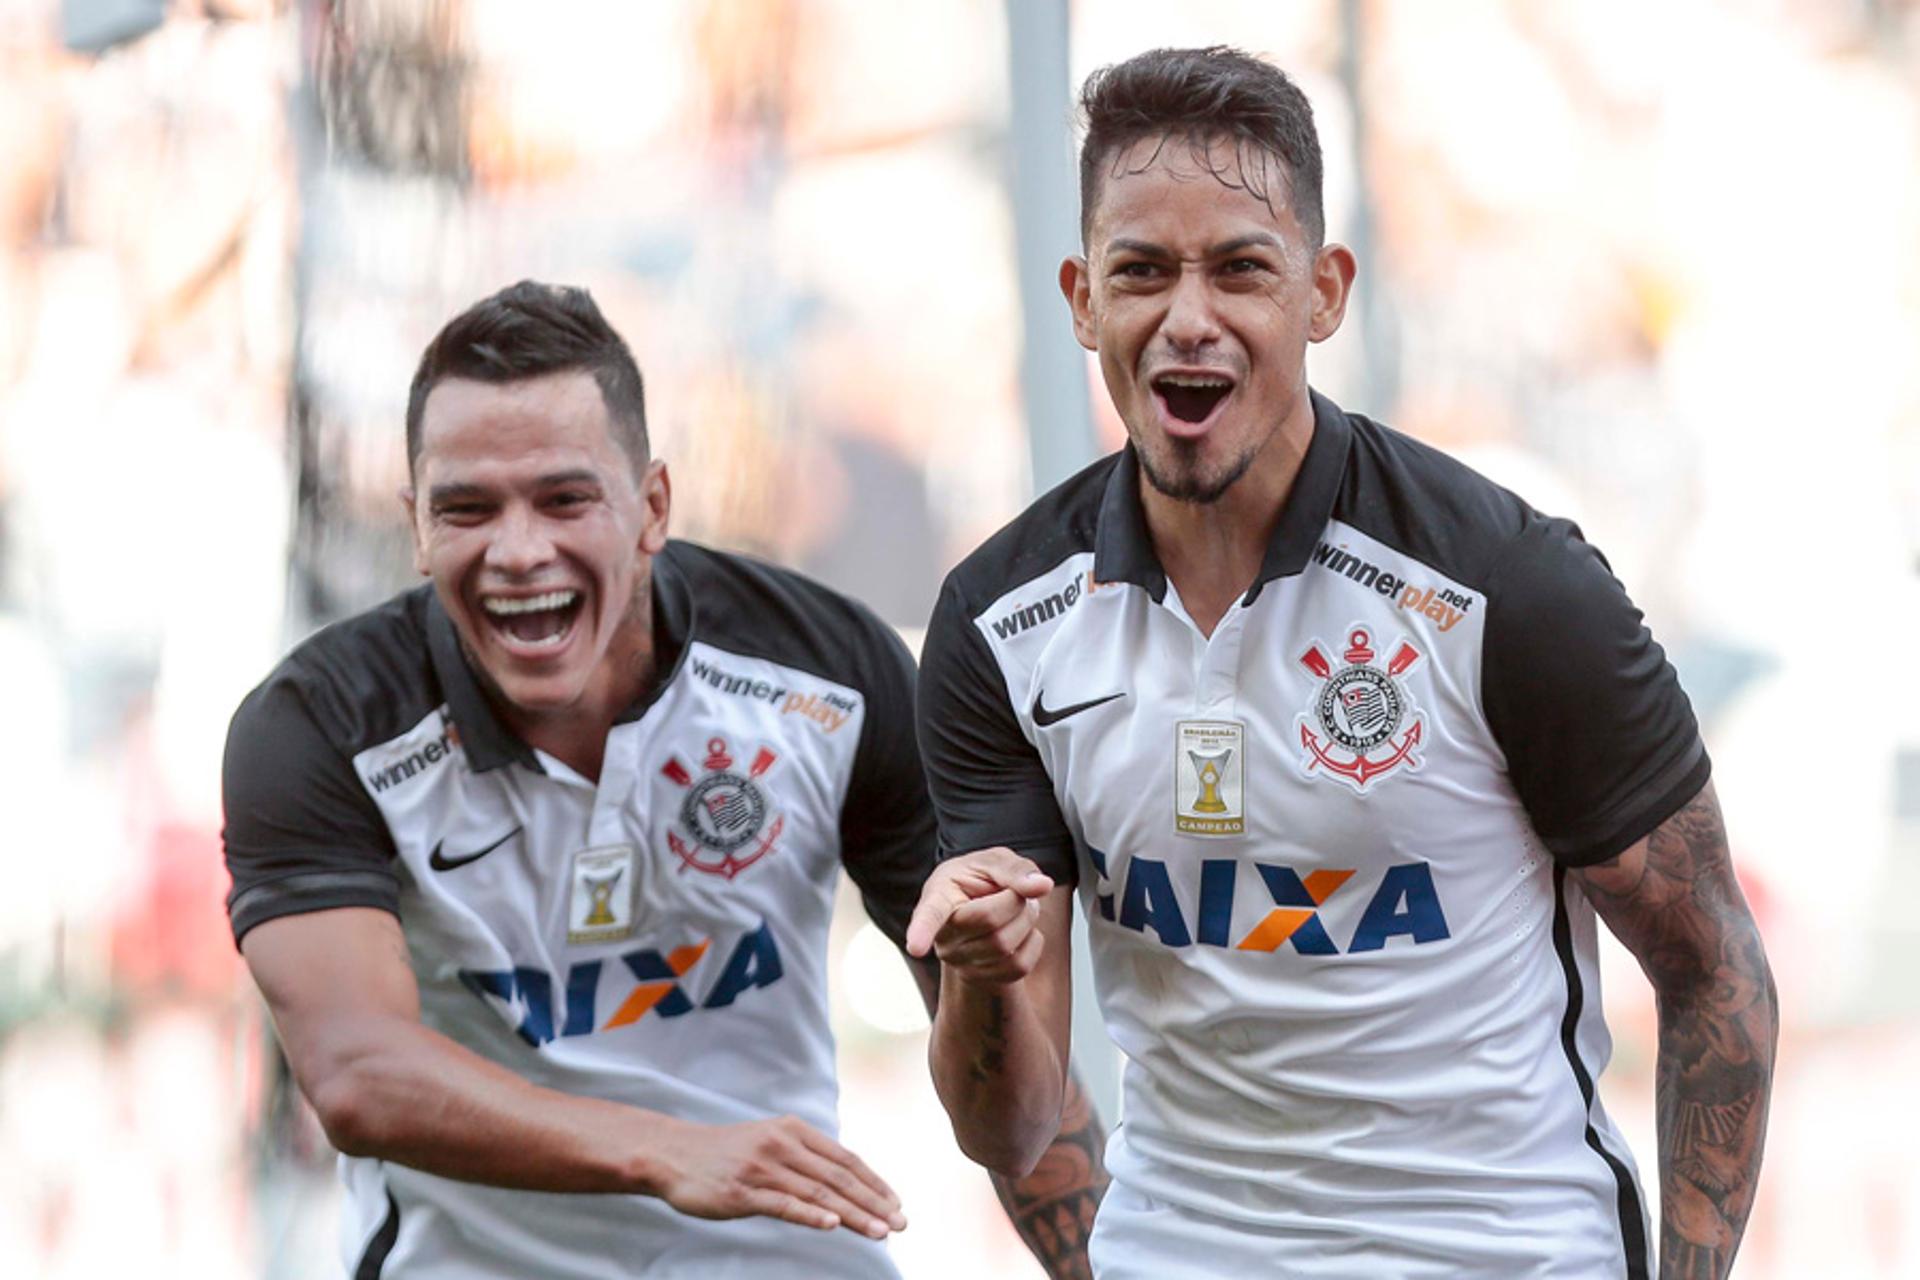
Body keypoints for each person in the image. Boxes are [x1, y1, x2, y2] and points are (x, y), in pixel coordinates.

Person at [907, 46, 1776, 1279]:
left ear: (1323, 292)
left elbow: (1713, 969)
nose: (1187, 318)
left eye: (1241, 269)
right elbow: (1011, 1121)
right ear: (1082, 298)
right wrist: (979, 976)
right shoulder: (1000, 622)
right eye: (1142, 270)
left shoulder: (1509, 585)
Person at [223, 281, 1106, 1279]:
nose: (518, 550)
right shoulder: (317, 723)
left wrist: (990, 989)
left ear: (652, 507)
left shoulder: (829, 670)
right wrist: (668, 1149)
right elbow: (356, 1075)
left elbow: (1026, 1127)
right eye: (467, 507)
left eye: (564, 498)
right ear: (416, 526)